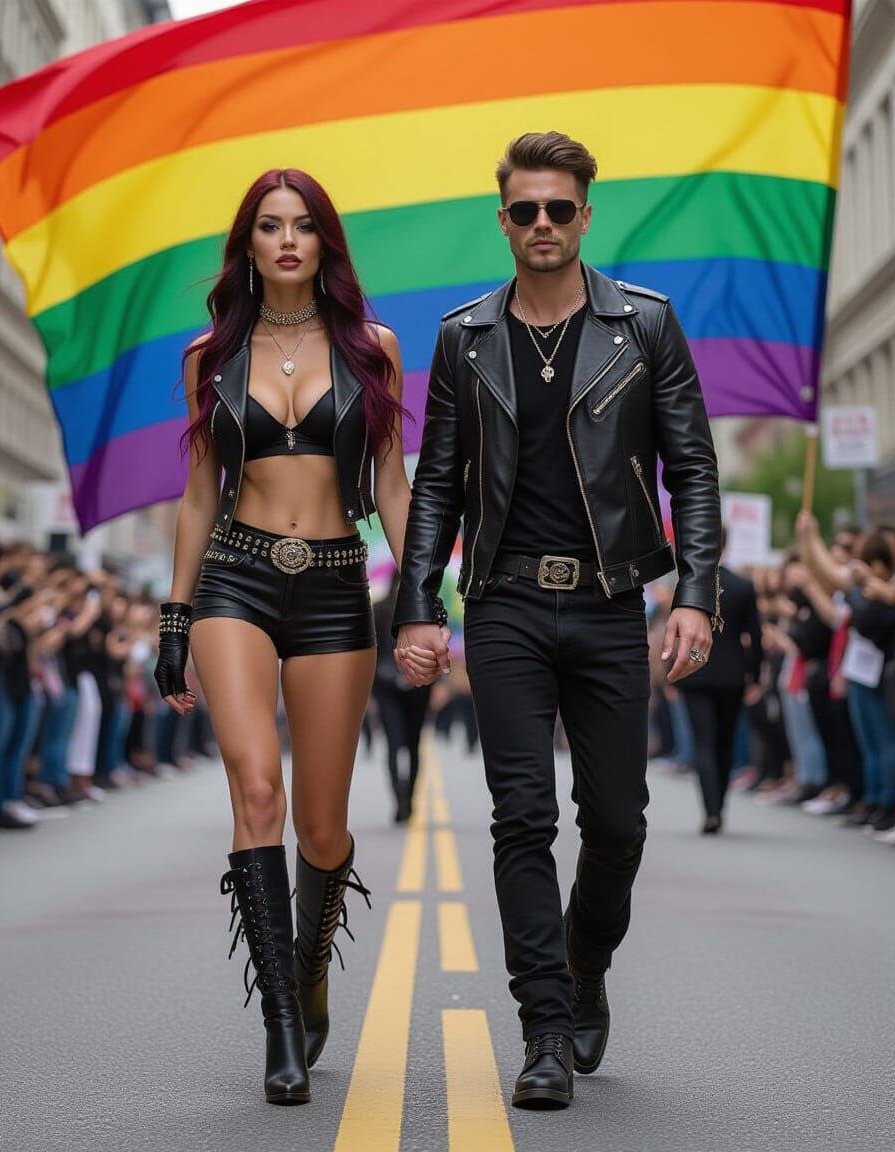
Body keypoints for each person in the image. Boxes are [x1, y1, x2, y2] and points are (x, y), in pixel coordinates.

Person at [393, 132, 722, 1109]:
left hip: (612, 600)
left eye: (559, 209)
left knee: (616, 824)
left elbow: (692, 469)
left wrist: (694, 593)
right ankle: (541, 1026)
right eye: (524, 210)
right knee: (521, 817)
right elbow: (434, 487)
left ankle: (584, 961)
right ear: (502, 221)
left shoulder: (645, 327)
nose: (542, 224)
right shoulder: (463, 338)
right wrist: (420, 606)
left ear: (585, 215)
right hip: (503, 607)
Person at [153, 169, 433, 1105]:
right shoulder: (208, 356)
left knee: (323, 827)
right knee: (257, 788)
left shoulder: (372, 348)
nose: (285, 240)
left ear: (324, 244)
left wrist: (424, 600)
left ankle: (309, 967)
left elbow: (393, 486)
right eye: (269, 226)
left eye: (302, 226)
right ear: (248, 244)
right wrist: (175, 617)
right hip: (234, 577)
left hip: (335, 588)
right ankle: (280, 1025)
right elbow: (198, 497)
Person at [678, 532, 763, 833]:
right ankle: (719, 807)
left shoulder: (688, 583)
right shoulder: (743, 585)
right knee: (724, 742)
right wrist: (754, 674)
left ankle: (711, 810)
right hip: (732, 675)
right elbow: (756, 636)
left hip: (696, 672)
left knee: (705, 743)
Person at [371, 571, 432, 822]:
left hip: (388, 683)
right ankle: (407, 800)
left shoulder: (378, 609)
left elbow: (370, 651)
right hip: (415, 681)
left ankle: (401, 800)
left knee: (395, 745)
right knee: (411, 743)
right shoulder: (424, 608)